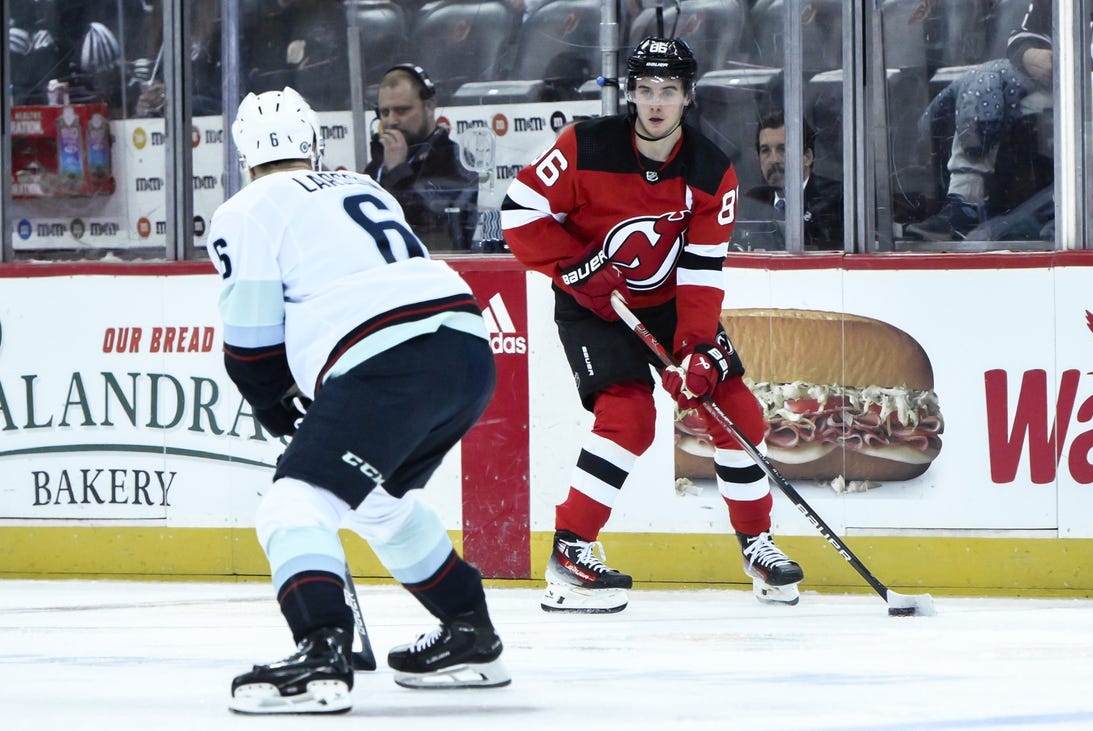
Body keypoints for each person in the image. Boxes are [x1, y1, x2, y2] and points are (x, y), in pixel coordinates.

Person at [206, 86, 509, 714]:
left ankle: (322, 648)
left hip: (386, 360)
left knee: (292, 503)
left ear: (243, 156)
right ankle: (470, 631)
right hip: (465, 346)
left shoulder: (246, 208)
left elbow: (253, 344)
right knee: (377, 502)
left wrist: (274, 406)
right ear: (314, 143)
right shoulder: (360, 187)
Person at [500, 37, 804, 614]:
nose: (655, 103)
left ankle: (757, 545)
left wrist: (694, 350)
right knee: (629, 417)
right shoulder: (585, 146)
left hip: (669, 304)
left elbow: (702, 270)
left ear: (688, 96)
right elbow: (519, 212)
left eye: (668, 91)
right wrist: (573, 268)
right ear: (630, 94)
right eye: (644, 91)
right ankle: (571, 552)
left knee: (734, 410)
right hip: (593, 303)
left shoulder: (712, 170)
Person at [910, 0, 1093, 242]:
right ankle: (964, 204)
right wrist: (1029, 55)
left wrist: (1063, 63)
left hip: (1086, 80)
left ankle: (1080, 214)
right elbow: (1024, 33)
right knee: (985, 80)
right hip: (1058, 80)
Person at [364, 64, 480, 251]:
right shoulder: (377, 164)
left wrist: (398, 172)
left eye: (402, 110)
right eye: (385, 113)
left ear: (429, 107)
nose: (392, 121)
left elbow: (437, 228)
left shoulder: (456, 160)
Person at [740, 109, 844, 250]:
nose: (773, 160)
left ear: (807, 157)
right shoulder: (752, 203)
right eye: (765, 151)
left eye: (782, 149)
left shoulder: (836, 200)